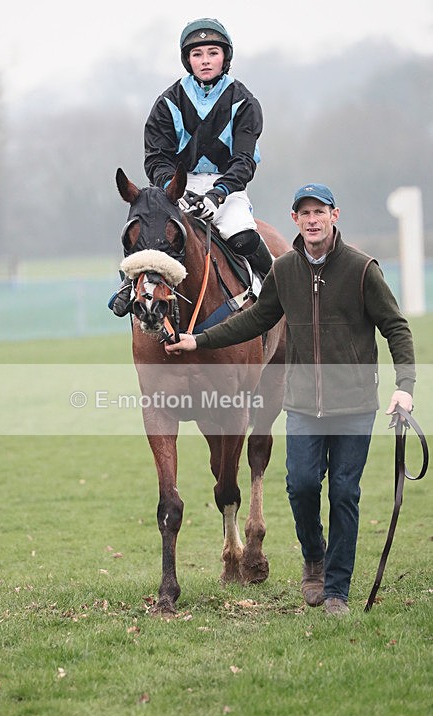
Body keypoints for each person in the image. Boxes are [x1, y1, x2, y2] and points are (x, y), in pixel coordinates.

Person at [164, 183, 416, 616]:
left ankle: (335, 589)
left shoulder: (361, 269)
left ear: (334, 216)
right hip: (302, 405)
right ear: (295, 220)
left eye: (320, 211)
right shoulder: (284, 271)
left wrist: (404, 387)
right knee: (300, 488)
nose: (313, 219)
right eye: (305, 213)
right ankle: (314, 557)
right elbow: (256, 320)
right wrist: (197, 340)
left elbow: (397, 328)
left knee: (344, 494)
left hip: (354, 405)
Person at [110, 17, 271, 317]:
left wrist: (218, 194)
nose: (205, 61)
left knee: (243, 237)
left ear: (226, 57)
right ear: (188, 60)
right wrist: (174, 188)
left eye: (213, 52)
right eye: (197, 54)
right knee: (148, 233)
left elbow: (244, 160)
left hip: (227, 188)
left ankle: (277, 291)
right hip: (177, 188)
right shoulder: (168, 101)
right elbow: (156, 156)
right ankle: (126, 286)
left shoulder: (244, 102)